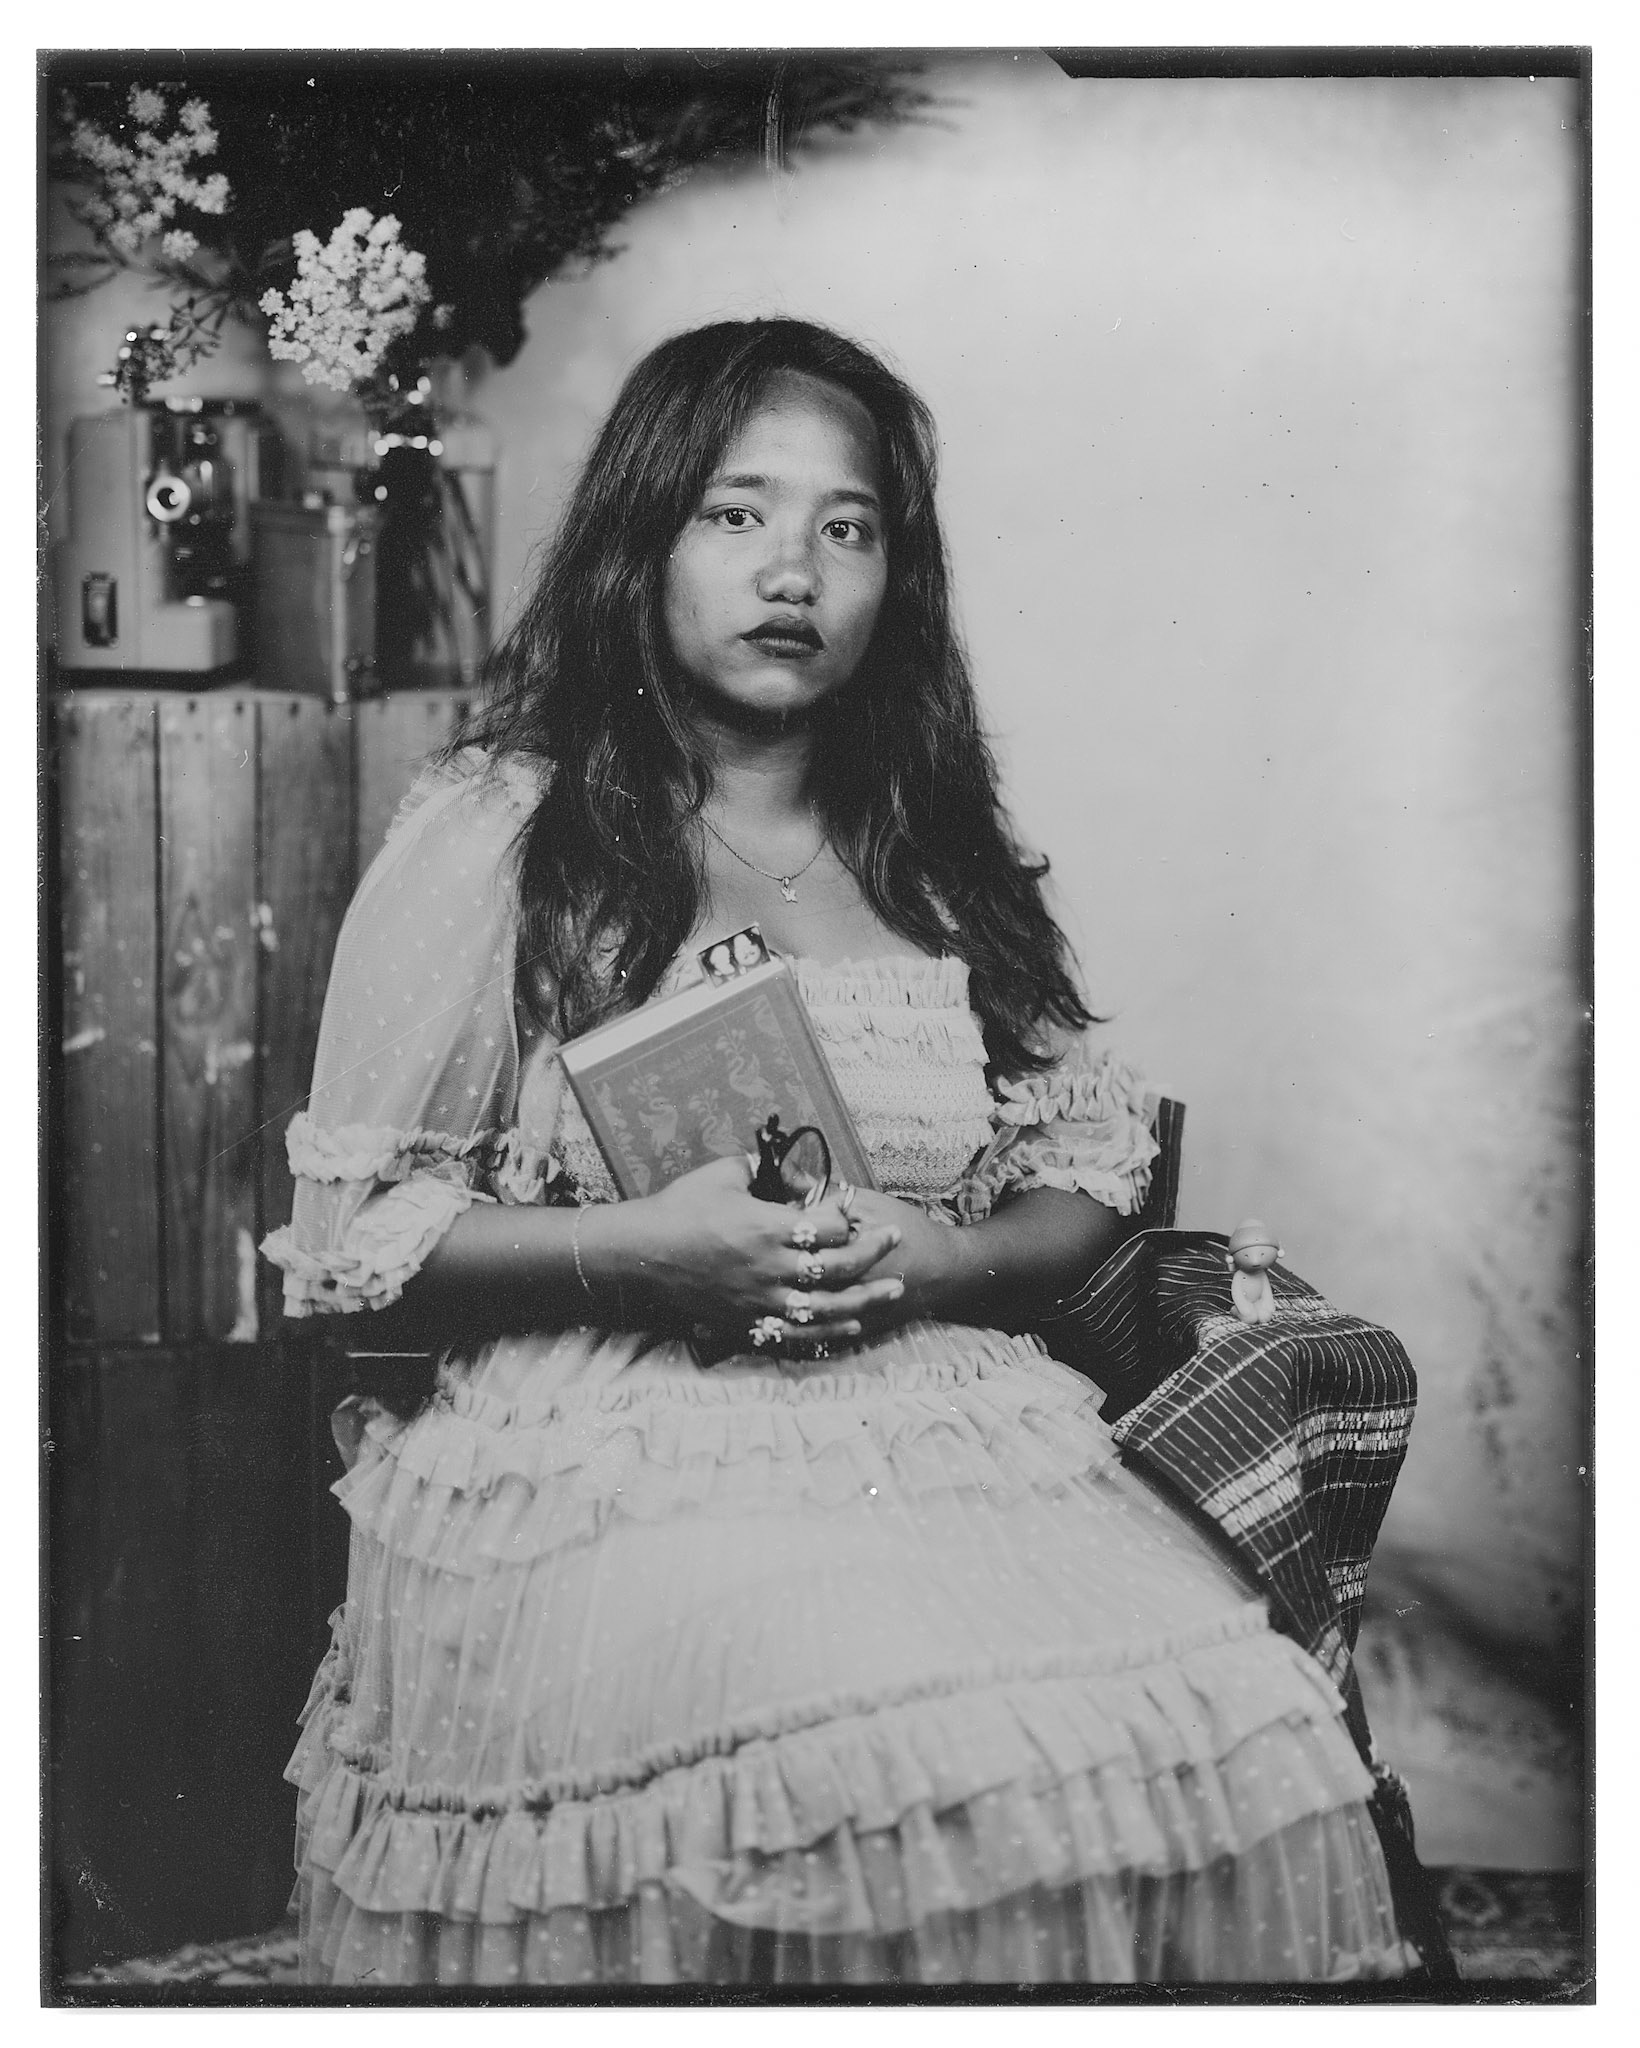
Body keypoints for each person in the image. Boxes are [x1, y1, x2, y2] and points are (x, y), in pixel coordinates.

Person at [264, 317, 1409, 1987]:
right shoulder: (504, 827)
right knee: (881, 1768)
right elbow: (353, 1234)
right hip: (610, 1447)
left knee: (1231, 1741)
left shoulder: (929, 848)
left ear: (895, 578)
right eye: (734, 513)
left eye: (847, 527)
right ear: (642, 540)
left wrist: (950, 1257)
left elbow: (1084, 1165)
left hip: (945, 1421)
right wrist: (647, 1251)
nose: (791, 569)